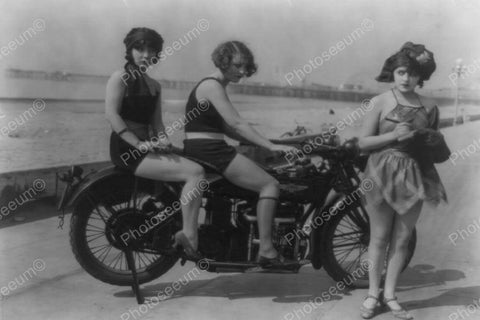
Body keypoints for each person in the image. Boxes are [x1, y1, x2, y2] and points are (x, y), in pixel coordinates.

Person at [182, 40, 299, 269]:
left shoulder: (214, 86)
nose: (243, 71)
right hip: (210, 150)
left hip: (203, 147)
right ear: (223, 61)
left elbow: (225, 128)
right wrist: (270, 146)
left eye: (246, 67)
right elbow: (236, 123)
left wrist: (263, 140)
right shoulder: (212, 86)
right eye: (238, 65)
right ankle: (266, 250)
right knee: (270, 185)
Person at [358, 42, 447, 319]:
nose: (406, 78)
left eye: (411, 73)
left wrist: (432, 140)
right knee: (379, 237)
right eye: (400, 72)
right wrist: (393, 136)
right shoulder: (380, 102)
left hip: (414, 173)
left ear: (421, 76)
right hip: (379, 172)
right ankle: (373, 294)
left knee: (403, 238)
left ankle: (391, 295)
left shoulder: (429, 107)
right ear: (393, 73)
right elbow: (363, 143)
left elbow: (434, 148)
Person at [105, 28, 205, 260]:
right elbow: (112, 116)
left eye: (151, 50)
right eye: (139, 48)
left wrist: (163, 140)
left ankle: (174, 226)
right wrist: (138, 143)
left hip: (146, 146)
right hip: (126, 148)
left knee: (196, 164)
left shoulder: (154, 85)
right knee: (195, 173)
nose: (145, 54)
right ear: (130, 50)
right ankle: (190, 236)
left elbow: (157, 122)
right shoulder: (119, 77)